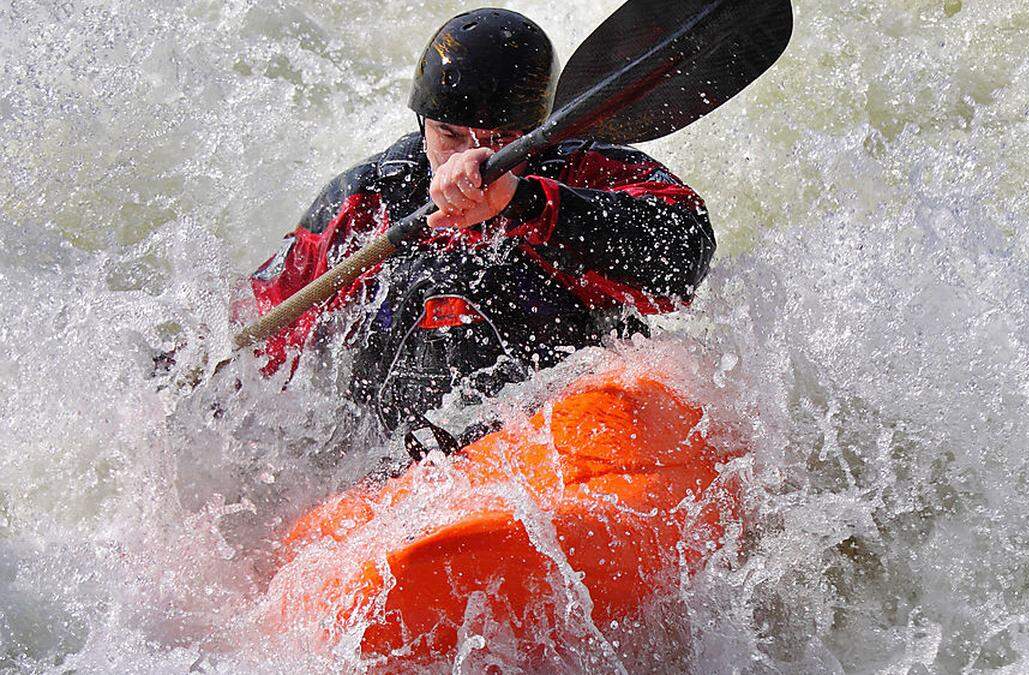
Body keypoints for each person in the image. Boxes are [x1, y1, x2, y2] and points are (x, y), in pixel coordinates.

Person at [249, 8, 715, 452]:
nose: (466, 162)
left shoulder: (583, 167)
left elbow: (685, 257)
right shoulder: (371, 194)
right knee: (415, 284)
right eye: (448, 135)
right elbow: (267, 321)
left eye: (498, 140)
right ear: (422, 124)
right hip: (391, 455)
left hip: (563, 425)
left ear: (538, 128)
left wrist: (524, 200)